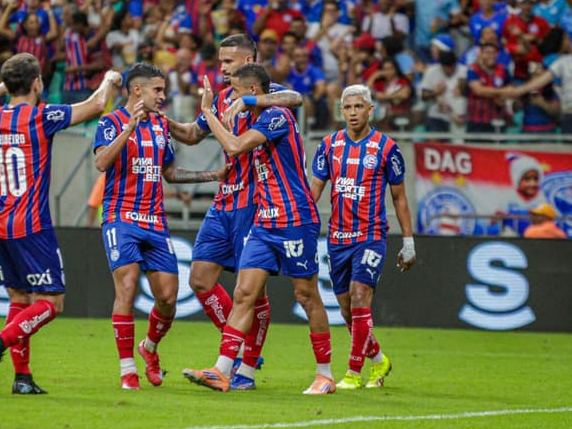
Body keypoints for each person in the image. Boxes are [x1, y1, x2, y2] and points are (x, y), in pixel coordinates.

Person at [0, 53, 122, 395]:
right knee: (52, 303)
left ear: (10, 85)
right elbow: (97, 104)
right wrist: (110, 78)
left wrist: (0, 87)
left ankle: (22, 378)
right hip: (31, 224)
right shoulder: (42, 116)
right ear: (38, 83)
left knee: (19, 297)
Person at [183, 65, 335, 395]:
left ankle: (325, 374)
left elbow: (236, 146)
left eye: (236, 91)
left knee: (306, 295)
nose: (232, 97)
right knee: (243, 293)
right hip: (264, 222)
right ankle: (223, 371)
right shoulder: (257, 114)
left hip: (295, 219)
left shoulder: (276, 115)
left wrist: (209, 113)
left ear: (252, 88)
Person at [167, 33, 303, 391]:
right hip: (223, 202)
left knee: (253, 293)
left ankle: (244, 368)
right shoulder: (223, 97)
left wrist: (250, 99)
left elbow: (296, 97)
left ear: (248, 60)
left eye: (228, 61)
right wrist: (158, 119)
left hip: (254, 203)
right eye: (220, 61)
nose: (222, 68)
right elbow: (193, 135)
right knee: (199, 279)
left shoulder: (270, 95)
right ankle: (241, 347)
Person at [93, 63, 226, 390]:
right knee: (126, 286)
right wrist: (129, 128)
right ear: (137, 90)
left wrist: (210, 176)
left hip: (154, 221)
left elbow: (169, 173)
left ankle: (149, 348)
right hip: (120, 217)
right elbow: (101, 162)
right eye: (158, 90)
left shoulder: (159, 126)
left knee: (168, 297)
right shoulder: (110, 122)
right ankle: (128, 371)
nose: (163, 96)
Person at [309, 84, 416, 390]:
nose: (353, 113)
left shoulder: (386, 148)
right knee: (346, 309)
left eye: (359, 107)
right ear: (340, 111)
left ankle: (353, 374)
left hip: (370, 235)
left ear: (371, 110)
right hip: (337, 238)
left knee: (359, 296)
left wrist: (408, 242)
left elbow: (399, 198)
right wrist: (299, 221)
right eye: (348, 108)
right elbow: (314, 190)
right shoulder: (329, 145)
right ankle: (379, 359)